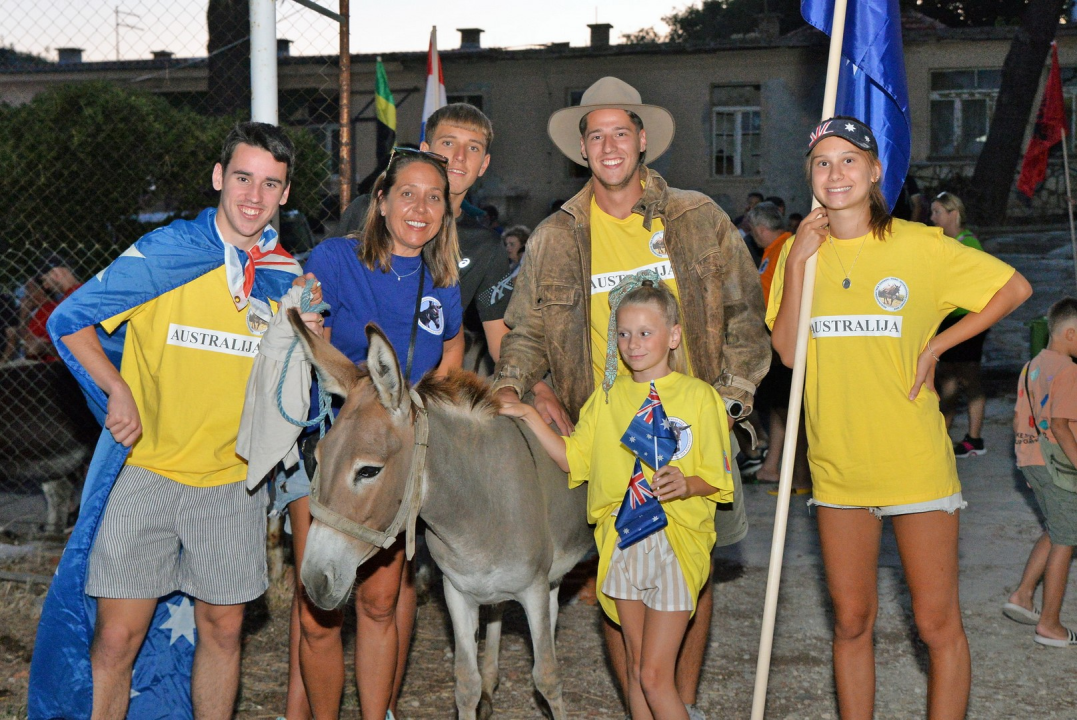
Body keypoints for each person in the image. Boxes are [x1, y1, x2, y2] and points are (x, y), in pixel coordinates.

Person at [493, 76, 769, 719]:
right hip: (607, 434)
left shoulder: (699, 218)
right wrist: (516, 390)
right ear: (581, 150)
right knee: (618, 588)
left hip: (690, 432)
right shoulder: (555, 238)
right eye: (596, 135)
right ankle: (644, 706)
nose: (610, 145)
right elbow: (527, 331)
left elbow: (746, 319)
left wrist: (723, 407)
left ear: (643, 141)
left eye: (622, 132)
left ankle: (680, 702)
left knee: (693, 575)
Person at [29, 122, 314, 719]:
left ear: (285, 195)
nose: (253, 197)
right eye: (242, 178)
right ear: (218, 178)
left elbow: (298, 399)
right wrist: (115, 392)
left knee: (223, 632)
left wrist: (309, 340)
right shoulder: (166, 253)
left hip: (232, 482)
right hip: (146, 473)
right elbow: (71, 321)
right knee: (116, 638)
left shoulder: (285, 279)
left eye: (270, 184)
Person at [768, 116, 1031, 718]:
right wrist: (802, 261)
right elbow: (787, 352)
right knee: (852, 621)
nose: (836, 173)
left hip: (915, 463)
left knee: (937, 624)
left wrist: (939, 345)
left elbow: (1013, 288)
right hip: (839, 467)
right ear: (811, 175)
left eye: (849, 160)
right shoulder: (797, 252)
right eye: (823, 163)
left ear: (875, 170)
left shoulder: (918, 245)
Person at [500, 273, 734, 720]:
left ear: (673, 335)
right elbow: (573, 459)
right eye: (624, 334)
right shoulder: (605, 400)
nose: (633, 343)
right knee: (634, 666)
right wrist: (529, 413)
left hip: (675, 543)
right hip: (623, 540)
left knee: (653, 675)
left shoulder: (699, 397)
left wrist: (687, 484)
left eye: (645, 332)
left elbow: (717, 478)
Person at [281, 147, 463, 720]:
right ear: (381, 202)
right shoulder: (337, 258)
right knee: (319, 607)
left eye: (435, 197)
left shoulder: (442, 280)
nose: (421, 206)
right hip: (336, 441)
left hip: (395, 454)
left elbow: (451, 345)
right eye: (406, 193)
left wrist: (429, 407)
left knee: (382, 603)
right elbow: (309, 319)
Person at [339, 104, 514, 364]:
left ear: (484, 164)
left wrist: (530, 386)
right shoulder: (369, 209)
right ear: (425, 152)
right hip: (350, 377)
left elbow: (501, 342)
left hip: (426, 387)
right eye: (448, 143)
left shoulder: (484, 247)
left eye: (473, 148)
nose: (460, 156)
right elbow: (323, 299)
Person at [1005, 297, 1077, 647]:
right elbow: (1062, 427)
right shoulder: (1068, 370)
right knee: (1067, 539)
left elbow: (1018, 418)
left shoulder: (1032, 366)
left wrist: (1025, 459)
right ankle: (1050, 624)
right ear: (1071, 334)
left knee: (1055, 527)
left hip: (1032, 460)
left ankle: (1022, 594)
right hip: (1059, 464)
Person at [745, 201, 809, 493]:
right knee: (780, 409)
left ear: (760, 229)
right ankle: (774, 469)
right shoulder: (777, 249)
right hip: (779, 337)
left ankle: (801, 477)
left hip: (784, 338)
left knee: (792, 411)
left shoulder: (785, 247)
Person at [930, 191, 989, 457]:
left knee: (969, 377)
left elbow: (980, 282)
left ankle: (975, 438)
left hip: (968, 321)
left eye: (937, 212)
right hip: (950, 321)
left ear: (953, 213)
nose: (932, 218)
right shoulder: (943, 242)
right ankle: (941, 437)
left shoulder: (968, 243)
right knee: (948, 378)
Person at [25, 255, 81, 362]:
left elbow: (80, 347)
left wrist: (44, 347)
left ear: (56, 274)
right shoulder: (72, 297)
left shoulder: (74, 299)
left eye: (45, 280)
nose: (45, 286)